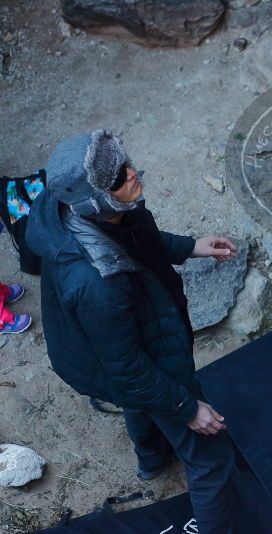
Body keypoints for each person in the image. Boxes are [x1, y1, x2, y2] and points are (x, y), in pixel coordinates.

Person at [27, 130, 239, 533]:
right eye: (118, 177)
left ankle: (152, 460)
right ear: (95, 199)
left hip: (107, 350)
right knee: (211, 460)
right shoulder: (97, 283)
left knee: (139, 404)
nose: (132, 174)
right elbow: (129, 370)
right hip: (116, 360)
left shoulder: (96, 208)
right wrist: (187, 408)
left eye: (125, 163)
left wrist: (189, 246)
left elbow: (139, 239)